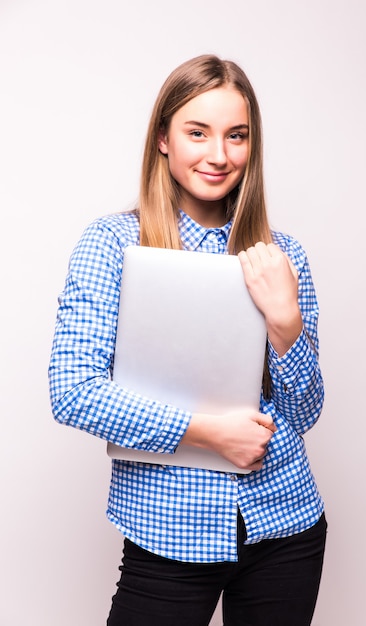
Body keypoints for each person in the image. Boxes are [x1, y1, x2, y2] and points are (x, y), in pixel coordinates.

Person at [48, 54, 327, 626]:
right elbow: (72, 390)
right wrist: (205, 432)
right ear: (163, 140)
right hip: (169, 532)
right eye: (197, 132)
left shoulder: (283, 255)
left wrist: (286, 324)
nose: (219, 155)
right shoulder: (112, 245)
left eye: (237, 136)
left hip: (287, 527)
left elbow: (306, 411)